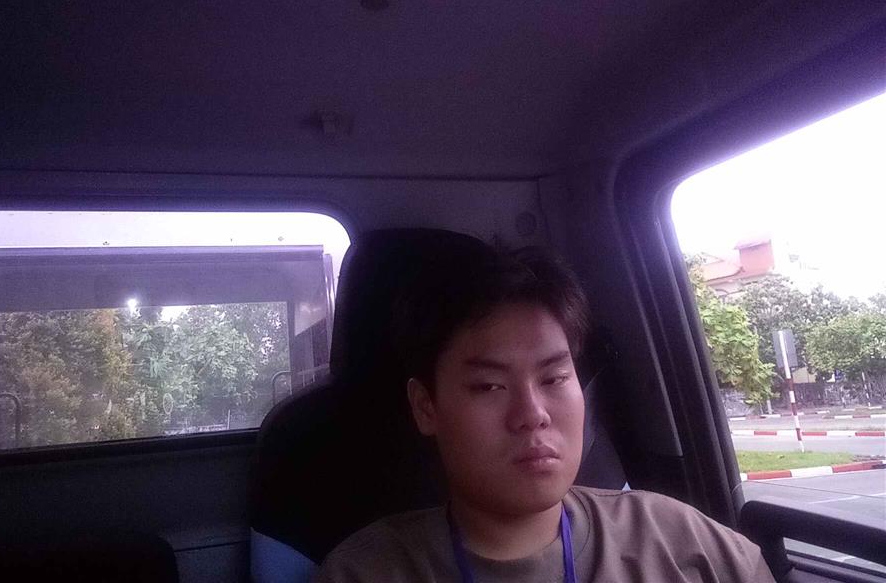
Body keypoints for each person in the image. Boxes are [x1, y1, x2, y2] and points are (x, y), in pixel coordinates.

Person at [313, 246, 775, 582]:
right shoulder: (364, 573)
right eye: (489, 386)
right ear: (425, 406)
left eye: (554, 378)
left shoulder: (683, 545)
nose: (532, 415)